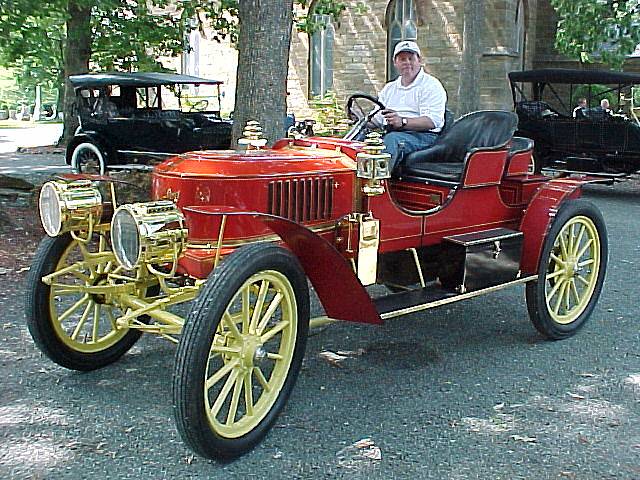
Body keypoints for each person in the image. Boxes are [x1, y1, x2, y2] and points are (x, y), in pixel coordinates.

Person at [375, 40, 447, 171]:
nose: (407, 62)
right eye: (402, 59)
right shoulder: (389, 88)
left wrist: (402, 121)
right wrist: (359, 118)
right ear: (395, 63)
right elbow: (377, 118)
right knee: (359, 140)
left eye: (411, 58)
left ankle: (376, 186)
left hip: (424, 136)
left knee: (392, 140)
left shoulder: (431, 85)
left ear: (419, 61)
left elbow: (433, 121)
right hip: (394, 132)